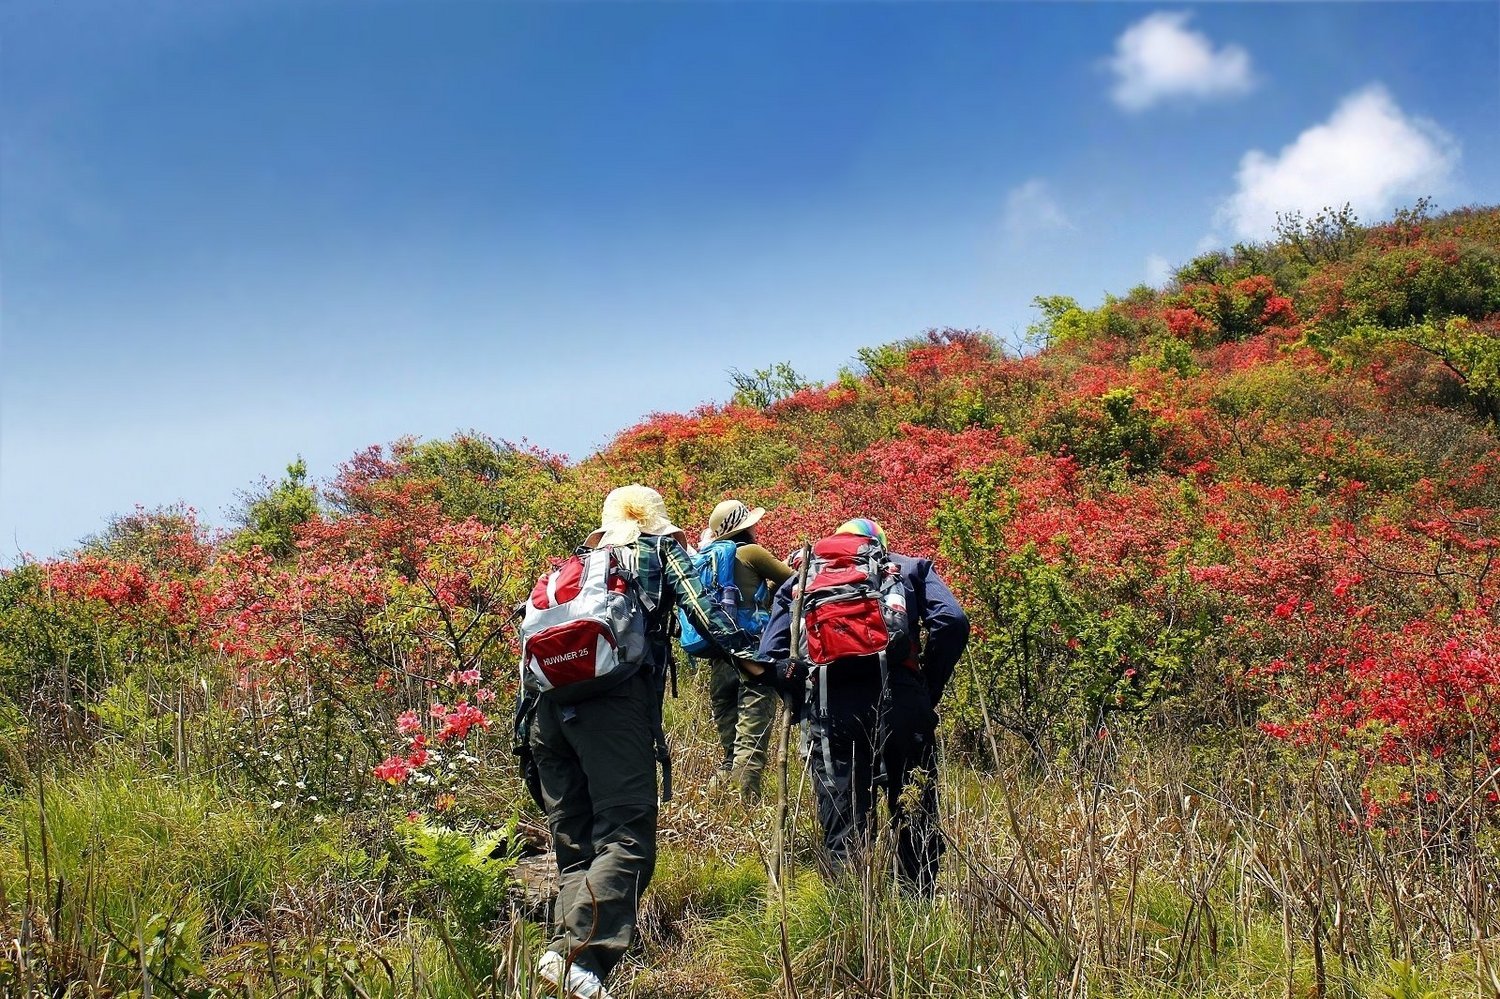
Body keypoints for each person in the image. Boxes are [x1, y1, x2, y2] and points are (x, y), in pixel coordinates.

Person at [525, 484, 759, 999]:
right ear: (656, 521)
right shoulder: (657, 550)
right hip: (613, 708)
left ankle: (563, 964)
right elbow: (703, 611)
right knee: (627, 837)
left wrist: (529, 744)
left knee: (577, 849)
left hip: (548, 717)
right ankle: (579, 958)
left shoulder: (575, 566)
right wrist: (755, 655)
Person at [753, 517, 969, 896]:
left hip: (829, 705)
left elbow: (769, 658)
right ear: (878, 544)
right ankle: (918, 910)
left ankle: (852, 914)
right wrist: (927, 687)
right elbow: (952, 621)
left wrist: (799, 694)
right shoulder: (908, 568)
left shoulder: (801, 579)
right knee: (914, 810)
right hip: (900, 698)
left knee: (844, 821)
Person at [699, 499, 794, 802]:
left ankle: (717, 806)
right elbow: (795, 583)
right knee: (750, 746)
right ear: (745, 527)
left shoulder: (706, 559)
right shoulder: (750, 552)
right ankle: (744, 809)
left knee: (731, 751)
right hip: (753, 658)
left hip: (719, 660)